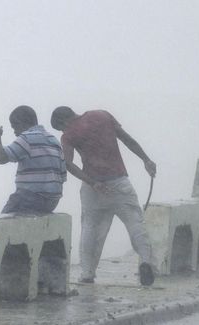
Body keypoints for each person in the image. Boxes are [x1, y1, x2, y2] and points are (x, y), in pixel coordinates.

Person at [50, 107, 156, 286]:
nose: (62, 131)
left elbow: (68, 164)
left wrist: (93, 183)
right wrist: (146, 159)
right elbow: (127, 140)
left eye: (60, 128)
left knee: (90, 228)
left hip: (94, 187)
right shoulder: (102, 115)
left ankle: (87, 273)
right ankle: (146, 261)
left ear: (63, 122)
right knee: (135, 223)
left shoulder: (68, 135)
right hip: (120, 182)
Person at [0, 105, 67, 214]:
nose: (15, 132)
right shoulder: (54, 141)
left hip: (30, 198)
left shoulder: (27, 138)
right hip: (52, 201)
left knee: (3, 223)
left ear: (23, 122)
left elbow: (1, 158)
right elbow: (62, 176)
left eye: (15, 127)